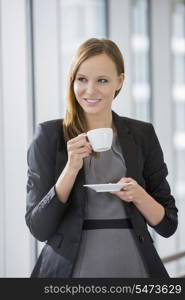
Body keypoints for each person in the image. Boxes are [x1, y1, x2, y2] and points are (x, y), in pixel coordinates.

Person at [25, 38, 178, 278]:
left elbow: (168, 225)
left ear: (120, 81)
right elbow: (39, 228)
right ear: (72, 81)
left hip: (134, 264)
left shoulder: (142, 134)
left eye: (102, 81)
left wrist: (139, 195)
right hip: (70, 269)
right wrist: (71, 168)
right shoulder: (49, 136)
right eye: (82, 79)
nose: (90, 90)